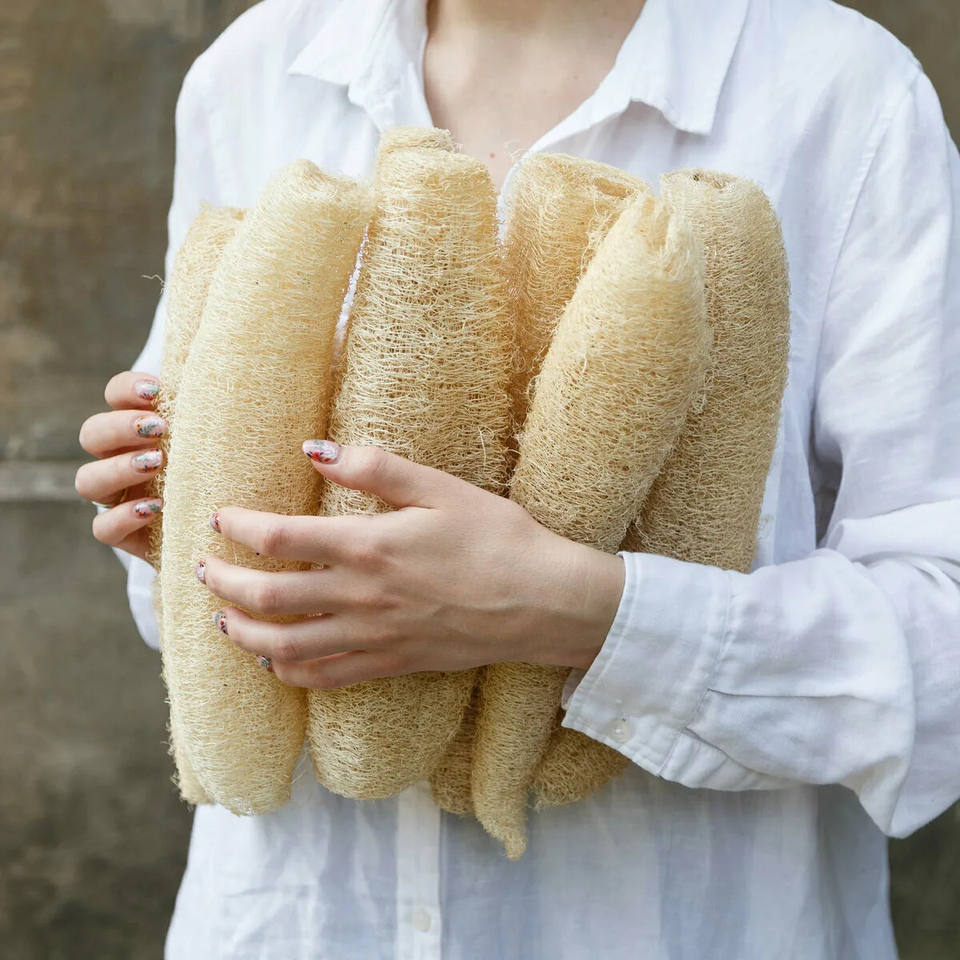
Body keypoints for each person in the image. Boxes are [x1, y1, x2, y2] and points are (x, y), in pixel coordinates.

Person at [74, 0, 960, 957]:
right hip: (298, 922)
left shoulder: (841, 93)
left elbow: (942, 640)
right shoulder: (253, 70)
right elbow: (177, 616)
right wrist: (179, 528)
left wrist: (583, 615)